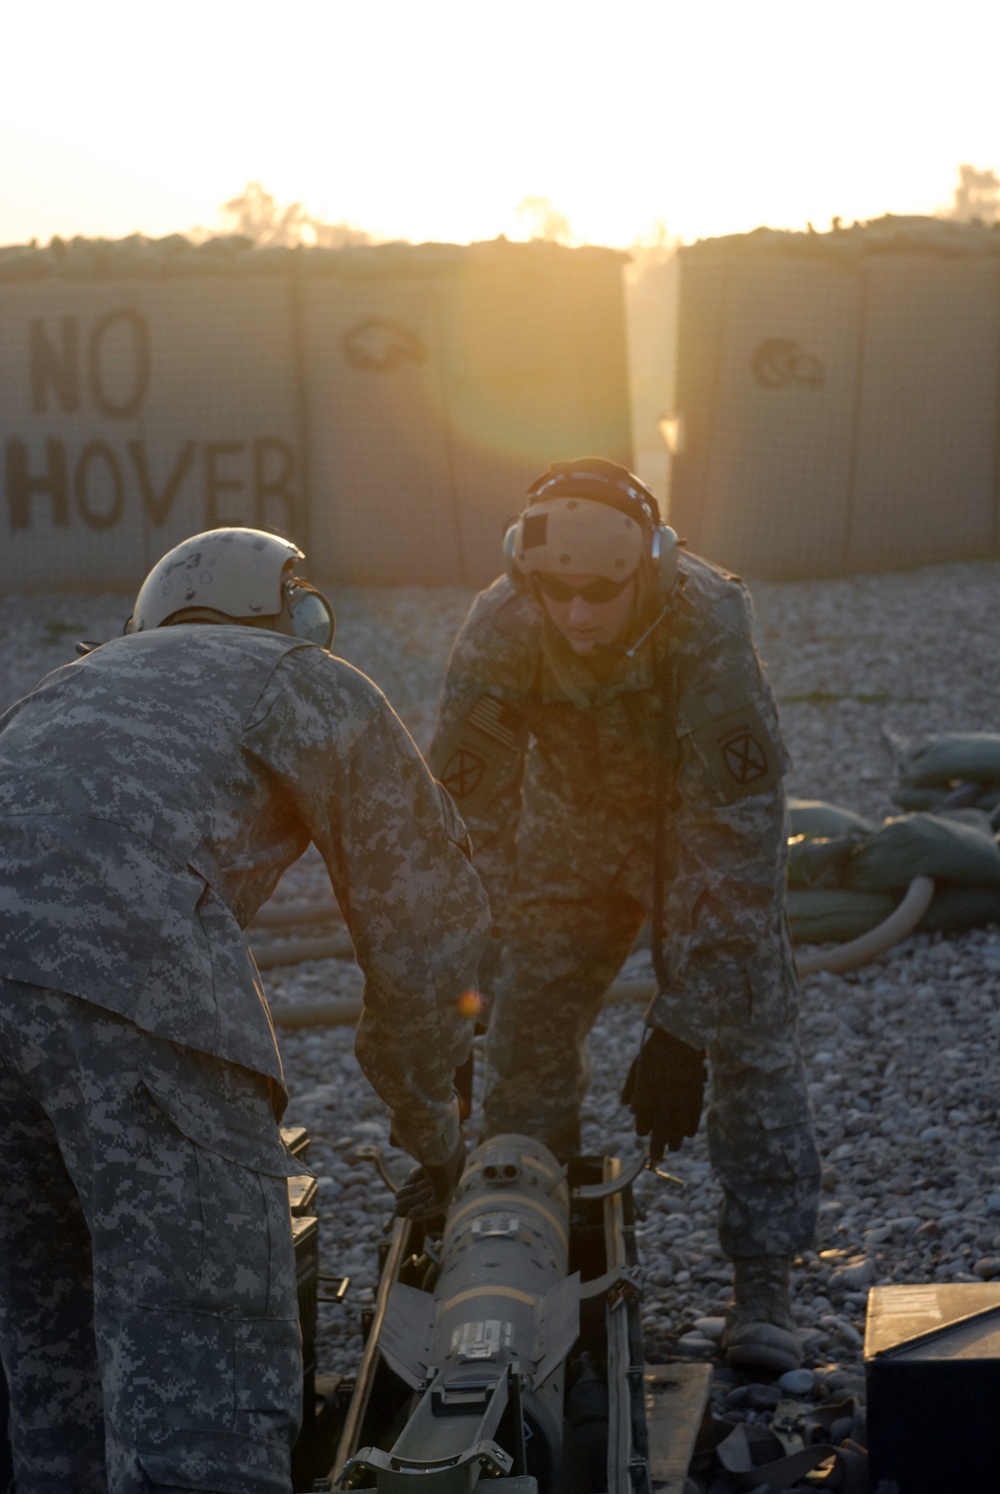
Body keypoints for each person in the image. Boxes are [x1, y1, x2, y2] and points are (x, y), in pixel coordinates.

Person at [0, 527, 488, 1494]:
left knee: (51, 1360)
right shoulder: (308, 680)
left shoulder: (60, 689)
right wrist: (430, 1125)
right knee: (200, 1371)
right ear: (294, 618)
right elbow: (423, 929)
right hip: (134, 997)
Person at [427, 458, 821, 1375]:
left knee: (750, 1038)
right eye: (556, 593)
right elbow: (462, 824)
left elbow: (741, 841)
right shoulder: (502, 622)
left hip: (694, 836)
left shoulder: (705, 621)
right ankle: (528, 1245)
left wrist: (684, 1022)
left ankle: (764, 1279)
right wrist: (450, 991)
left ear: (647, 566)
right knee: (523, 1038)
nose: (577, 615)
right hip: (571, 838)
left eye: (599, 592)